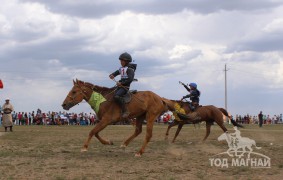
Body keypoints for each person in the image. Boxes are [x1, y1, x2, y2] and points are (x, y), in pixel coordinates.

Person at [109, 52, 135, 119]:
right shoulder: (122, 68)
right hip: (120, 86)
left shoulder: (130, 69)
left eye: (122, 61)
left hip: (125, 87)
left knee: (116, 96)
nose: (121, 62)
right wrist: (112, 75)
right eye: (120, 61)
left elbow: (130, 79)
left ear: (126, 61)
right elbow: (117, 72)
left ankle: (125, 111)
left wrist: (122, 83)